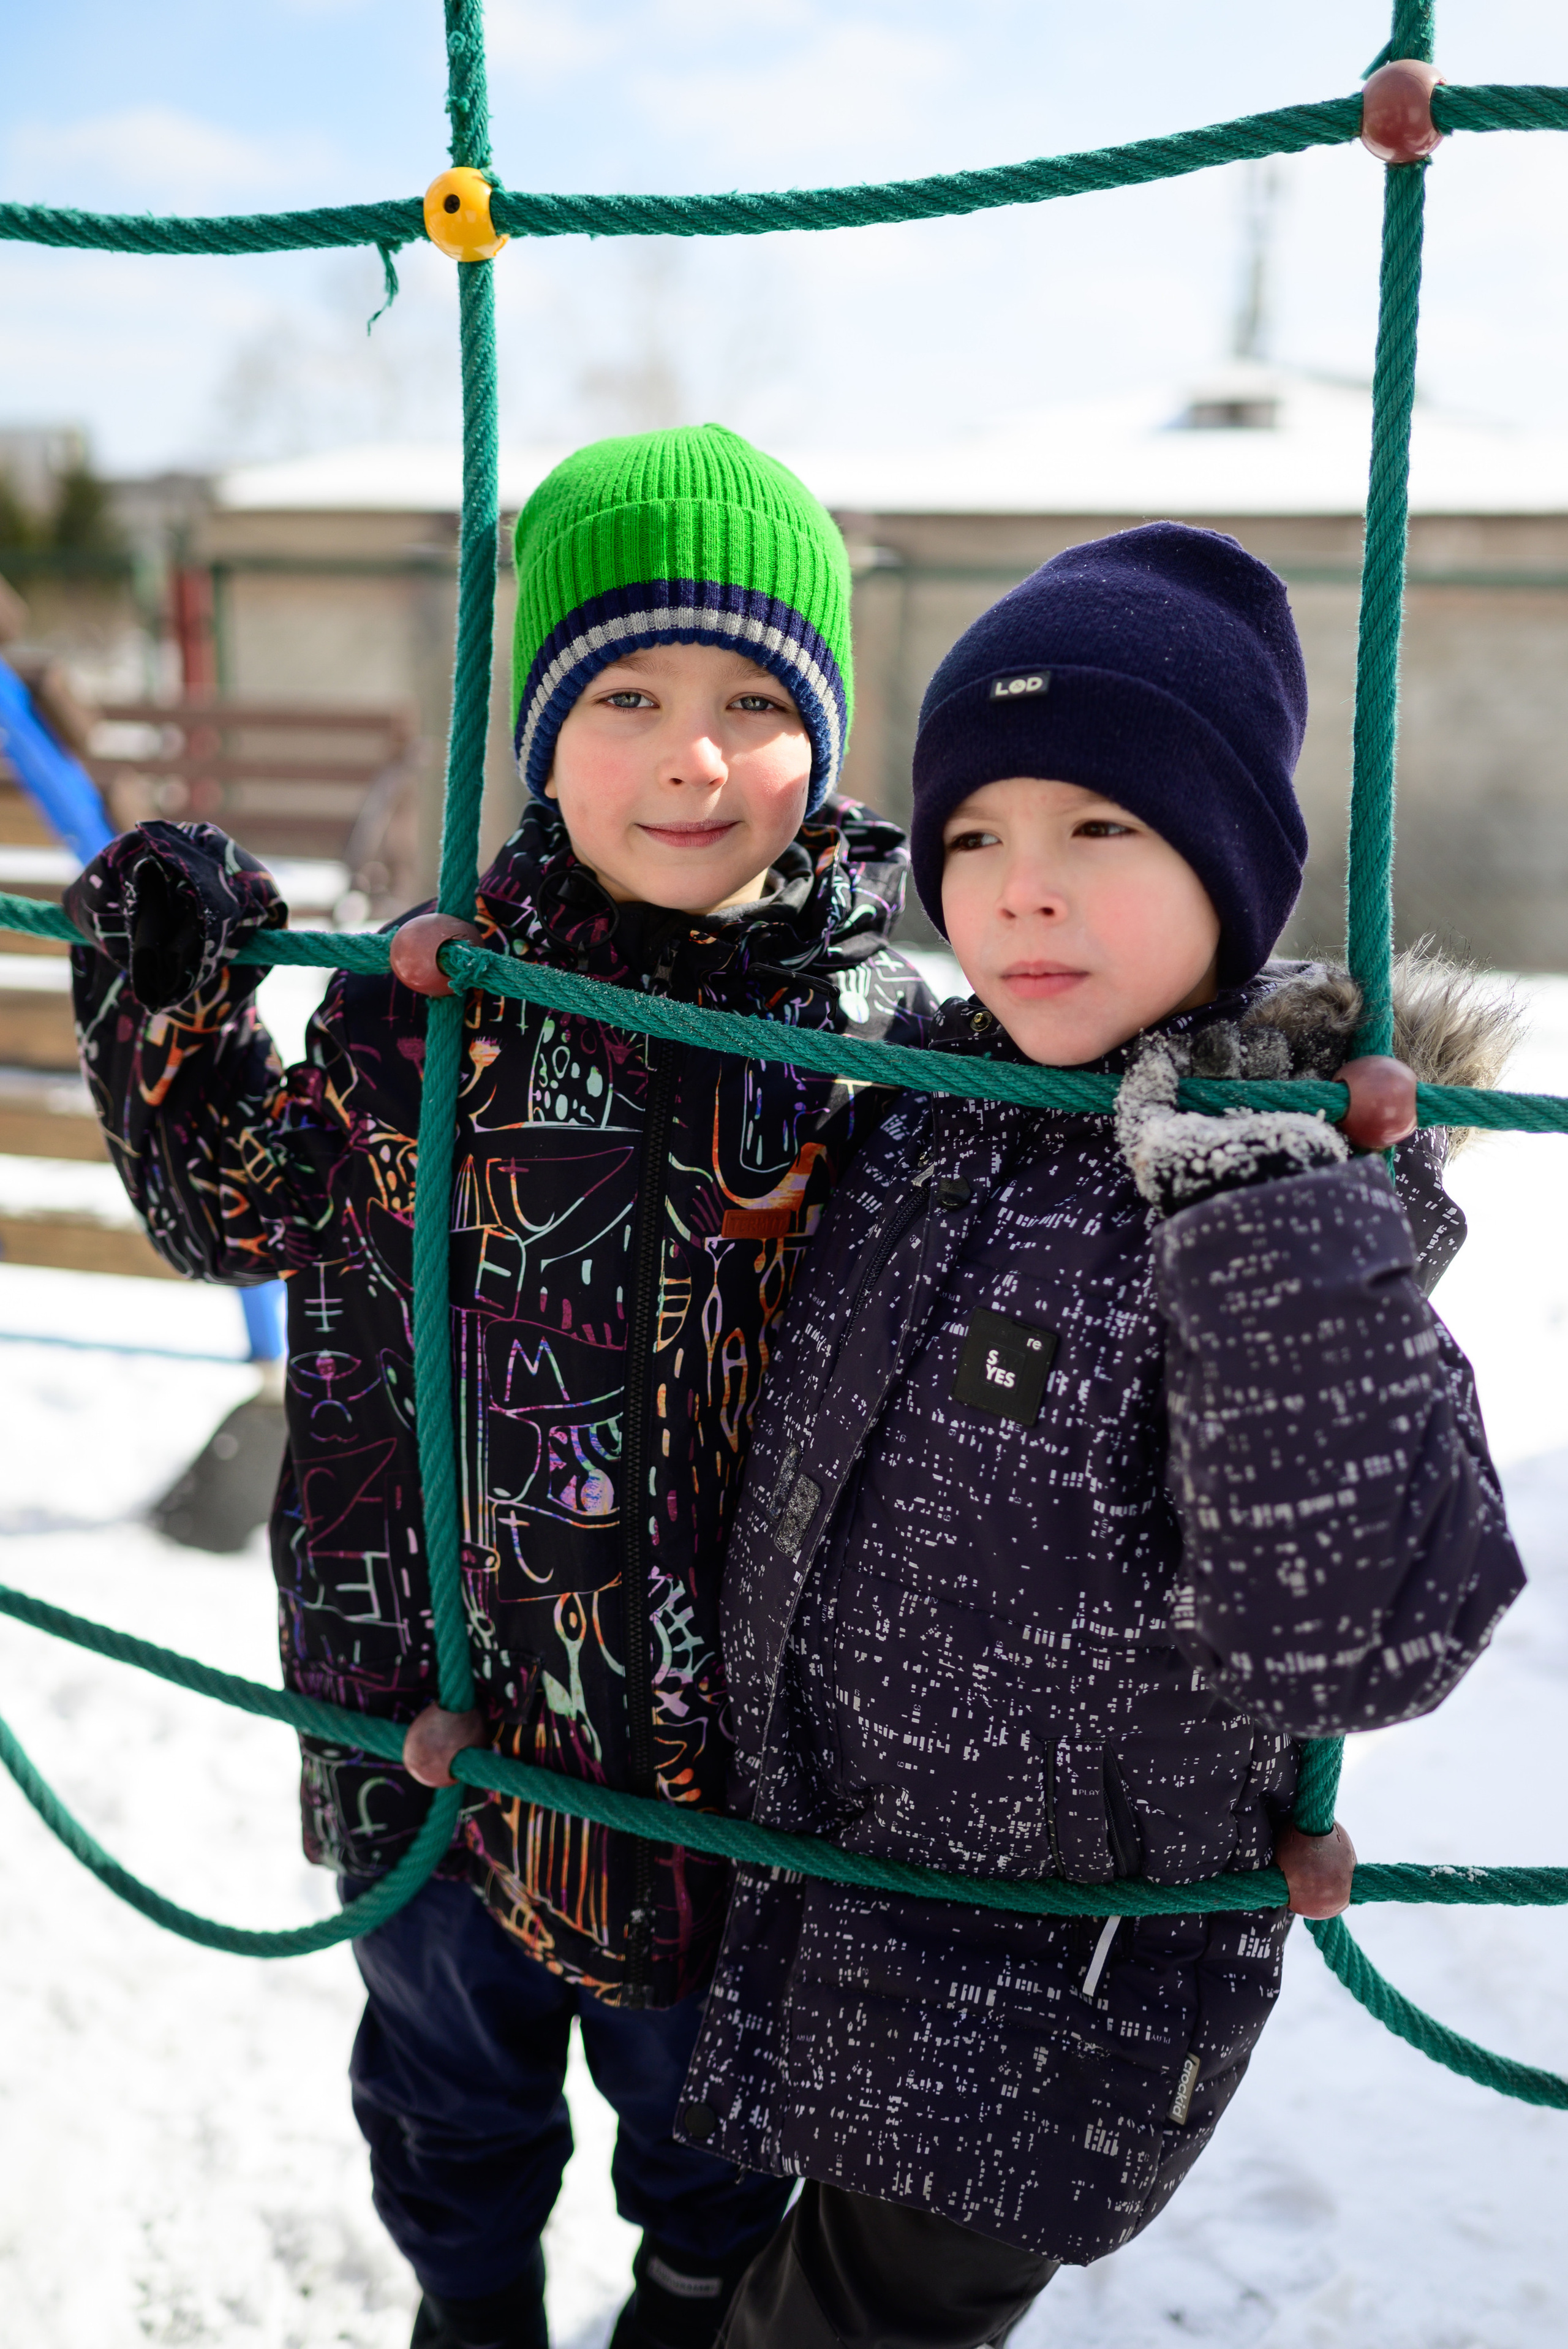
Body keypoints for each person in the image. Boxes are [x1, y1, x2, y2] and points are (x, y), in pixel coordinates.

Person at [62, 425, 934, 2349]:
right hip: (425, 1713)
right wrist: (164, 977)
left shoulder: (876, 1057)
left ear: (831, 738)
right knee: (448, 2091)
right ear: (540, 730)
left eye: (751, 699)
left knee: (710, 2127)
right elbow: (231, 1208)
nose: (691, 754)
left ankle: (689, 2302)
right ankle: (471, 2310)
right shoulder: (424, 1007)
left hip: (712, 1774)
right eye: (624, 694)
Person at [671, 524, 1527, 2349]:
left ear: (1230, 866)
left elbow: (1364, 1634)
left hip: (1046, 2001)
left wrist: (1265, 1229)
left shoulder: (1274, 1185)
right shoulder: (925, 1107)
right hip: (816, 1890)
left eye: (1101, 830)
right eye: (975, 833)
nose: (1021, 890)